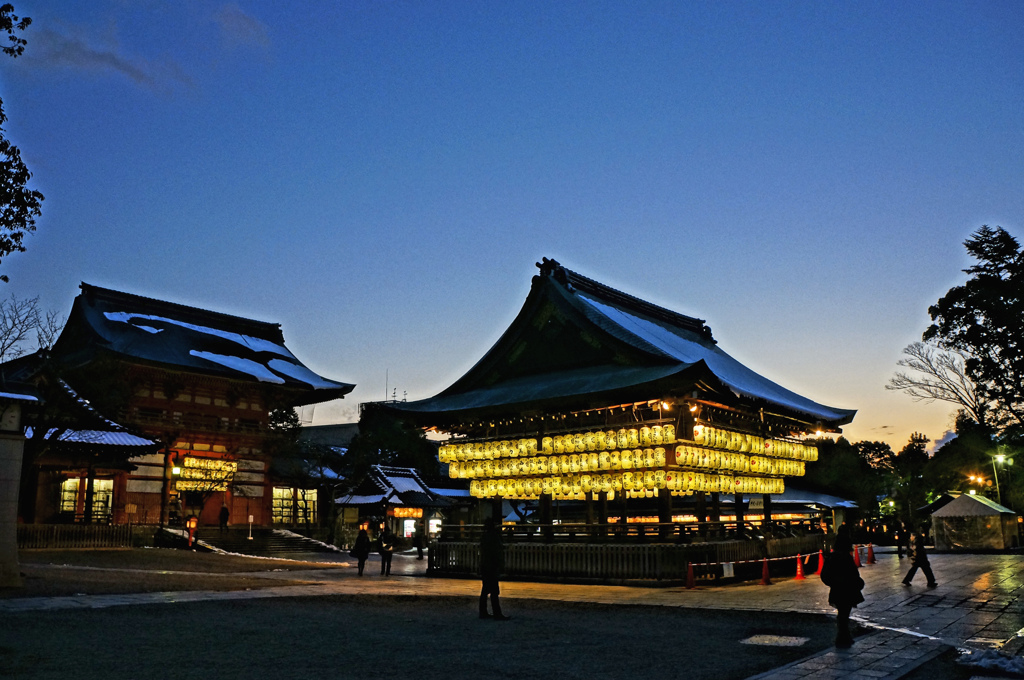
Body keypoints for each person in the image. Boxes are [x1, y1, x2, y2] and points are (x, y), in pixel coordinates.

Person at [819, 523, 865, 648]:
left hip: (837, 589)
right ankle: (843, 637)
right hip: (847, 588)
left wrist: (834, 582)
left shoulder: (832, 557)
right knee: (844, 614)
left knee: (842, 615)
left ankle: (843, 637)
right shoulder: (846, 558)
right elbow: (854, 574)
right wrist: (857, 583)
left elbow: (825, 575)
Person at [479, 517, 510, 620]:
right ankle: (497, 612)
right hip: (492, 565)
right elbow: (497, 552)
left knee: (485, 590)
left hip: (485, 565)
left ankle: (483, 611)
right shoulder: (494, 537)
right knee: (494, 591)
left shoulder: (484, 536)